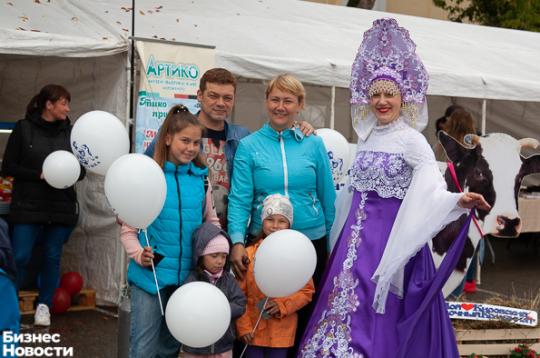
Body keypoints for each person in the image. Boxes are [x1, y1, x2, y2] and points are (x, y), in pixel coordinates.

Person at [298, 18, 490, 358]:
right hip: (353, 245)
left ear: (405, 97)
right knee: (341, 307)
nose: (382, 101)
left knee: (378, 316)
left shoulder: (412, 141)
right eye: (376, 95)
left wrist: (458, 199)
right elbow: (350, 194)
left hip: (389, 244)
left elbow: (429, 188)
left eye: (390, 94)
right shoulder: (368, 137)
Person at [227, 74, 334, 358]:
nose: (281, 106)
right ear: (266, 102)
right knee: (257, 312)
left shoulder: (313, 143)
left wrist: (332, 244)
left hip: (310, 241)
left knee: (304, 314)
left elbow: (328, 197)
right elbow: (239, 199)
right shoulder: (249, 146)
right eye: (275, 99)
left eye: (288, 100)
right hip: (264, 241)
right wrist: (238, 241)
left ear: (300, 105)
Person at [144, 68, 315, 230]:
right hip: (181, 229)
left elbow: (272, 152)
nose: (220, 103)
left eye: (227, 98)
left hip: (225, 238)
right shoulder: (175, 131)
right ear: (199, 95)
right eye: (213, 96)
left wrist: (296, 126)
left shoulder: (242, 136)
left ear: (234, 99)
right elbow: (146, 171)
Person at [120, 105, 220, 358]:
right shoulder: (148, 177)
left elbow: (212, 223)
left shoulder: (202, 179)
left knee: (170, 348)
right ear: (167, 139)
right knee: (143, 348)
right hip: (149, 279)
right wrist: (137, 255)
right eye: (184, 140)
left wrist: (218, 252)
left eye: (196, 142)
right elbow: (128, 231)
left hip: (186, 280)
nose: (190, 147)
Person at [2, 84, 86, 327]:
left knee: (51, 257)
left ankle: (44, 307)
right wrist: (40, 175)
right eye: (63, 103)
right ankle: (8, 305)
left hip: (60, 205)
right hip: (28, 204)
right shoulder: (23, 128)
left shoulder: (72, 133)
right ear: (48, 105)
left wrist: (65, 174)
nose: (68, 109)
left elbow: (80, 172)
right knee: (19, 257)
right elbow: (8, 166)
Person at [235, 194, 315, 358]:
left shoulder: (298, 256)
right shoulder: (249, 255)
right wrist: (243, 328)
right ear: (262, 221)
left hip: (281, 333)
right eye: (270, 219)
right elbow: (238, 295)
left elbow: (306, 291)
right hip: (252, 333)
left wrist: (283, 304)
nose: (275, 226)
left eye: (282, 221)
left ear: (289, 224)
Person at [179, 222, 246, 358]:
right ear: (201, 256)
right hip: (195, 346)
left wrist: (221, 310)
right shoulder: (192, 281)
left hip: (222, 346)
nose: (220, 261)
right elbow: (183, 308)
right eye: (214, 256)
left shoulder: (229, 280)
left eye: (223, 256)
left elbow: (240, 303)